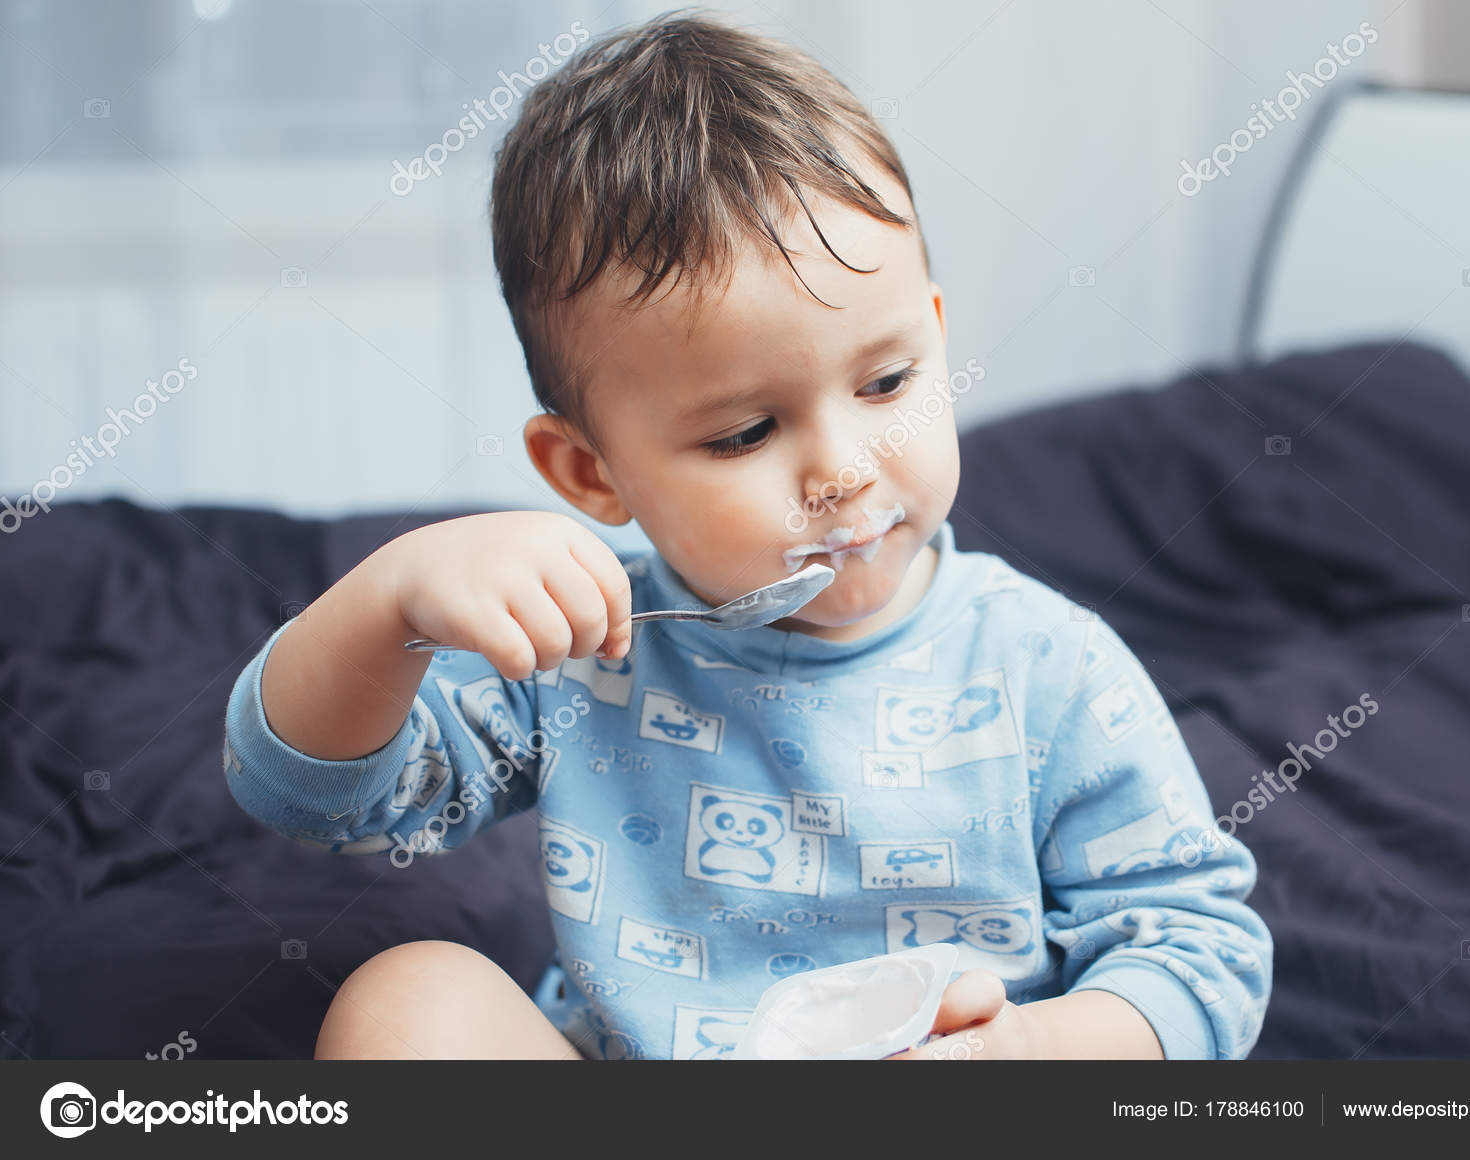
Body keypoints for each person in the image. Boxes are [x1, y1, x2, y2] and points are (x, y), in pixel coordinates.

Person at [223, 8, 1271, 1060]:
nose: (845, 469)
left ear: (939, 338)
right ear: (591, 471)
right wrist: (384, 604)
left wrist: (1016, 1054)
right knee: (408, 999)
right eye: (744, 432)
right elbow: (327, 804)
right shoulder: (589, 653)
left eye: (889, 381)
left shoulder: (1048, 664)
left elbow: (1198, 952)